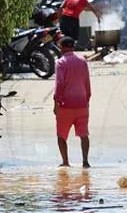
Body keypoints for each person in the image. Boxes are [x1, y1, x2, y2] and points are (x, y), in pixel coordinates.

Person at [54, 36, 92, 168]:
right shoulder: (82, 61)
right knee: (84, 134)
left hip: (66, 106)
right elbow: (87, 83)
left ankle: (65, 162)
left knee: (61, 135)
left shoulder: (60, 62)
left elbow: (59, 83)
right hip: (82, 104)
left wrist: (56, 103)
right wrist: (87, 99)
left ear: (61, 47)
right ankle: (85, 161)